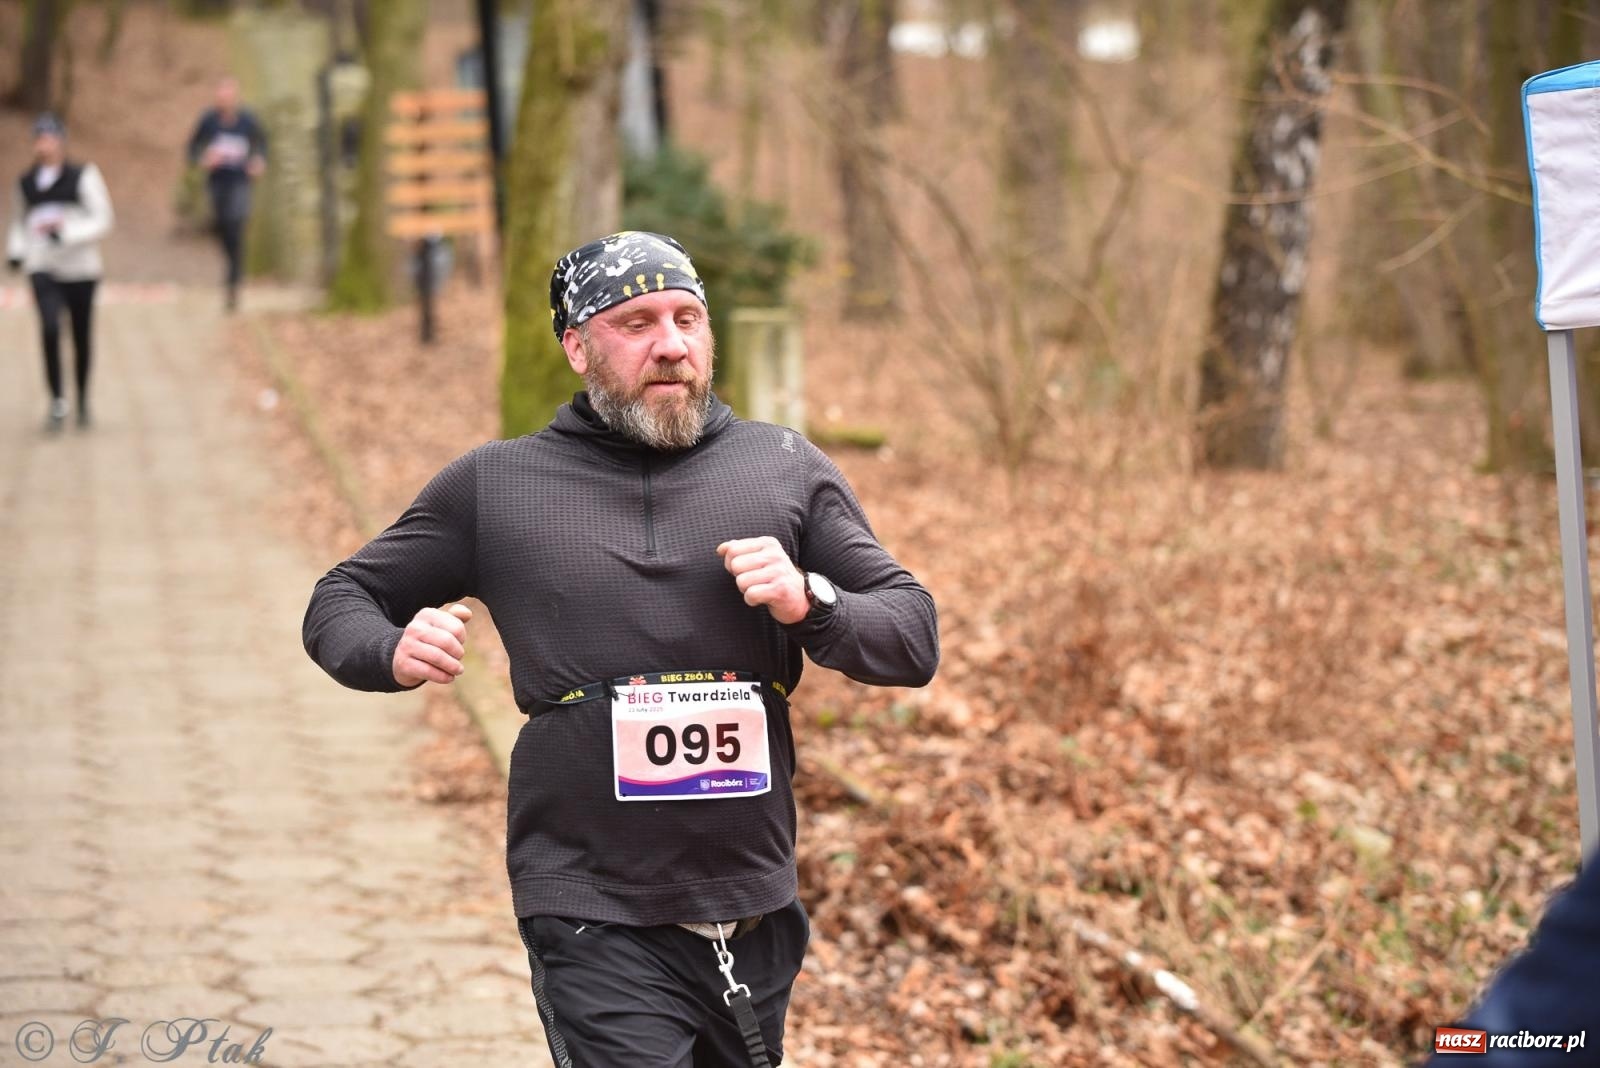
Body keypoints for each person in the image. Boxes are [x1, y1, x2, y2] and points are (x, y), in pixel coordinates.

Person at [302, 230, 938, 1066]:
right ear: (576, 347)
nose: (671, 344)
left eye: (686, 318)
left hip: (750, 897)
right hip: (588, 902)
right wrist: (388, 649)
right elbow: (340, 599)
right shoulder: (497, 486)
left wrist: (809, 600)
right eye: (636, 323)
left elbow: (912, 632)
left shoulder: (782, 466)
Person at [7, 113, 114, 431]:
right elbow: (20, 222)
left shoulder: (82, 176)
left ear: (61, 141)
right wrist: (16, 252)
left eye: (49, 137)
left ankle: (82, 398)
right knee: (50, 328)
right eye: (39, 138)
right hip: (43, 267)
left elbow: (103, 219)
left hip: (80, 269)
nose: (44, 144)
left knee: (81, 335)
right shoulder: (26, 183)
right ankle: (57, 401)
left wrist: (67, 234)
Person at [185, 77, 267, 311]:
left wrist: (258, 161)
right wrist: (204, 159)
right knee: (222, 227)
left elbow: (262, 143)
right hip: (218, 182)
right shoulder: (209, 120)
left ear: (235, 97)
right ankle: (233, 268)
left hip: (240, 182)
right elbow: (192, 149)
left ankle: (234, 279)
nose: (225, 100)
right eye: (221, 96)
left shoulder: (248, 120)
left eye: (229, 96)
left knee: (235, 223)